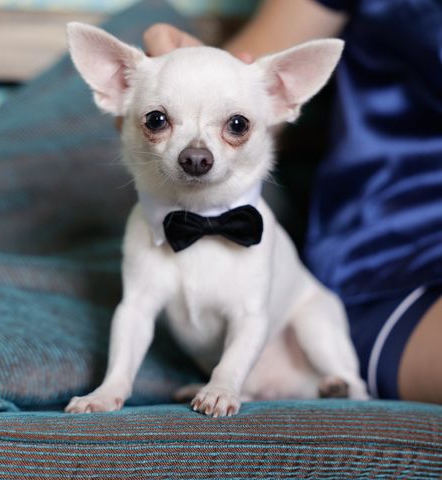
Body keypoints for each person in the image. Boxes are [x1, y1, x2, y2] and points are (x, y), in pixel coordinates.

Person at [142, 0, 442, 403]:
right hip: (395, 257)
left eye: (234, 126)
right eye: (159, 121)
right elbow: (252, 84)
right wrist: (181, 89)